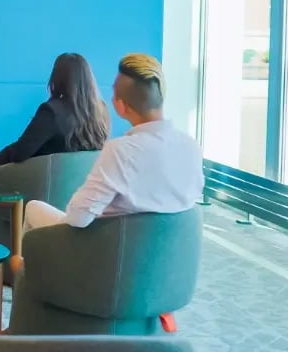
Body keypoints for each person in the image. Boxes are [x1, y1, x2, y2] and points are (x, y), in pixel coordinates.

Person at [23, 53, 202, 231]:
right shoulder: (191, 147)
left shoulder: (121, 150)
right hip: (167, 246)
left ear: (120, 106)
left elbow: (78, 218)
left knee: (33, 208)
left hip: (107, 244)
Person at [0, 52, 111, 182]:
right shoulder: (101, 111)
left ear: (57, 78)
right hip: (83, 192)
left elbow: (19, 153)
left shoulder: (52, 111)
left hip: (45, 190)